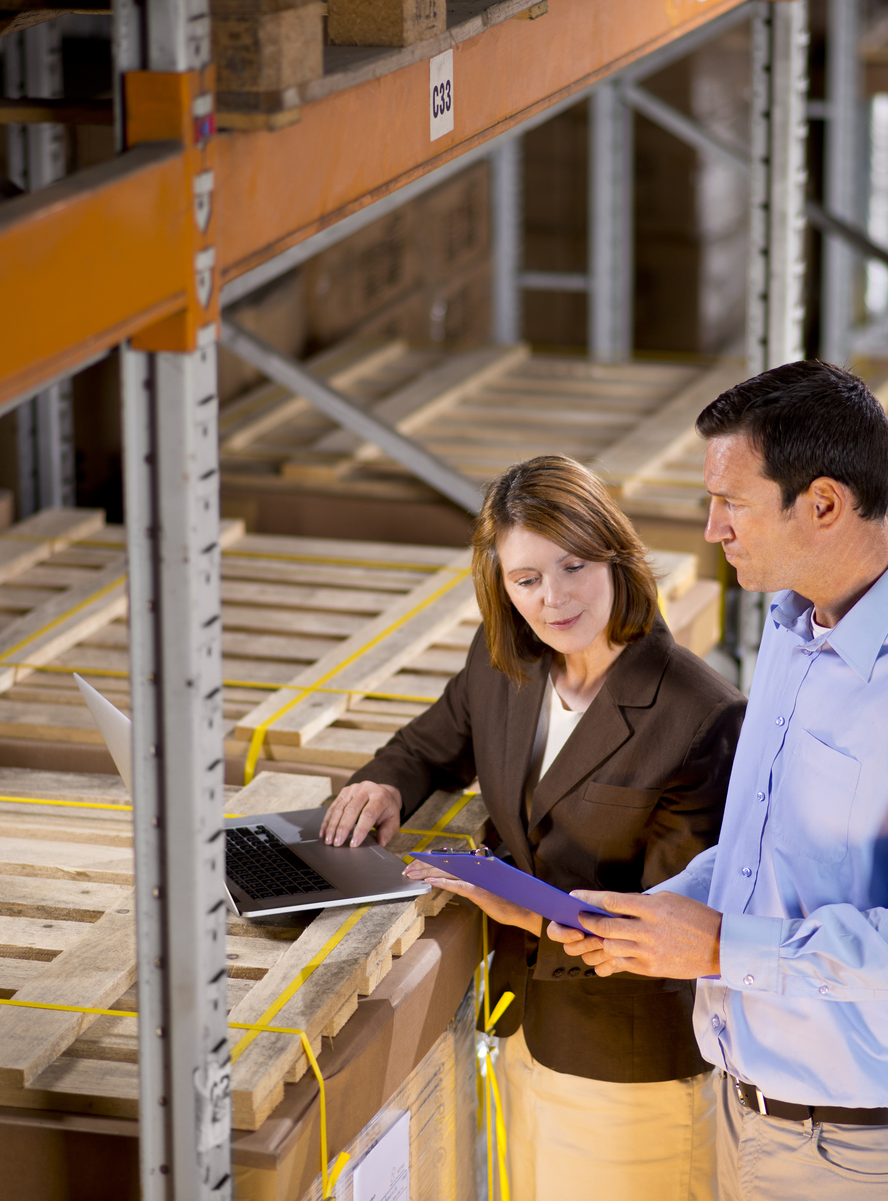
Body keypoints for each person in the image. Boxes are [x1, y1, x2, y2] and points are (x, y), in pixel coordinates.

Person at [549, 361, 888, 1200]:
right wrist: (661, 912)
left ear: (822, 504)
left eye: (732, 504)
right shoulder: (792, 629)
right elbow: (767, 855)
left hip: (865, 1152)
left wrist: (711, 945)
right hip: (754, 1114)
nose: (712, 529)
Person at [318, 454, 744, 1201]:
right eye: (527, 579)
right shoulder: (504, 664)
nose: (554, 599)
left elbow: (671, 933)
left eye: (573, 565)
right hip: (522, 1034)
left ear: (615, 555)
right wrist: (384, 782)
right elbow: (429, 744)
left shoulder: (699, 714)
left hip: (630, 1067)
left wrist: (524, 910)